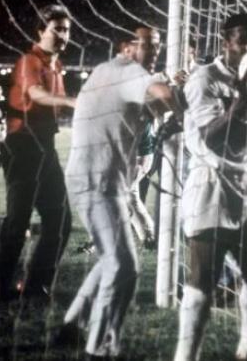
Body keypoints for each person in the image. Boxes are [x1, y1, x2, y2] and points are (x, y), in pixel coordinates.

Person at [59, 25, 181, 358]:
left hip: (101, 178)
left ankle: (73, 322)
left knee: (112, 257)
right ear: (126, 48)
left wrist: (165, 113)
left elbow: (146, 108)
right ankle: (100, 346)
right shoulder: (129, 73)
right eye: (147, 45)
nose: (154, 50)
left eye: (157, 45)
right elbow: (165, 97)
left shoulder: (105, 71)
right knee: (125, 267)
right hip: (98, 180)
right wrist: (182, 106)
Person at [173, 14, 247, 361]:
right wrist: (243, 97)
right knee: (202, 280)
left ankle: (246, 350)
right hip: (210, 182)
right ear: (226, 41)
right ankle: (185, 356)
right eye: (243, 40)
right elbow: (212, 139)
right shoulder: (205, 78)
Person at [0, 4, 76, 301]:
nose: (62, 34)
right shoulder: (28, 61)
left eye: (66, 29)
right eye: (56, 29)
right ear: (40, 30)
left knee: (60, 220)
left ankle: (36, 285)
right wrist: (73, 102)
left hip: (45, 146)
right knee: (17, 221)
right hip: (22, 146)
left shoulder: (56, 65)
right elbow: (35, 94)